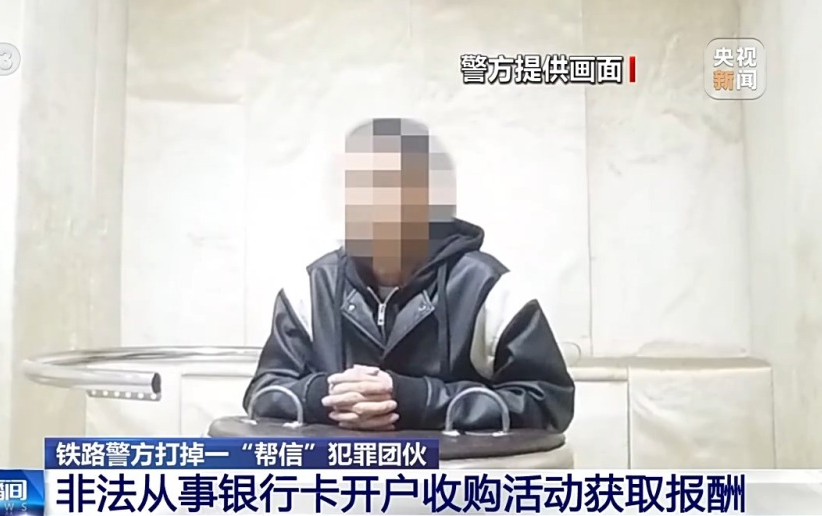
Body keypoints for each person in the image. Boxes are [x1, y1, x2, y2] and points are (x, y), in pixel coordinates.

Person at [242, 118, 574, 432]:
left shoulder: (487, 288)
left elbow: (548, 403)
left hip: (450, 474)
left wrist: (418, 400)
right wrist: (327, 396)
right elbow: (263, 394)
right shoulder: (312, 288)